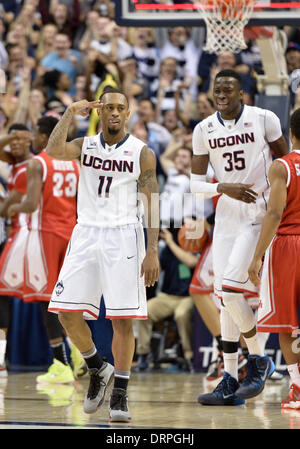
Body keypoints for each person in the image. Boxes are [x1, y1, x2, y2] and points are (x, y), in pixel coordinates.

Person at [45, 88, 160, 423]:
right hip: (86, 233)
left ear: (127, 114)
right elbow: (52, 151)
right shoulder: (85, 145)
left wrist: (151, 250)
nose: (113, 112)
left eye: (119, 108)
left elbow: (152, 204)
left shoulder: (142, 153)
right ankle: (97, 367)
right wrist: (69, 113)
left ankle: (120, 392)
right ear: (100, 111)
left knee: (121, 320)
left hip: (124, 235)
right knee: (65, 313)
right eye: (108, 107)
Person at [190, 69, 289, 405]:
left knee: (232, 291)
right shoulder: (203, 130)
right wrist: (222, 187)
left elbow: (286, 162)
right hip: (226, 220)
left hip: (258, 217)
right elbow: (194, 185)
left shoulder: (264, 118)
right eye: (217, 89)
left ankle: (260, 360)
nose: (221, 94)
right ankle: (230, 379)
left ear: (242, 93)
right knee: (223, 299)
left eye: (228, 89)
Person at [7, 116, 85, 384]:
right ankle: (77, 353)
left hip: (45, 236)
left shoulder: (37, 162)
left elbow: (29, 205)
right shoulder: (75, 164)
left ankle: (61, 364)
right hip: (72, 233)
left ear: (42, 137)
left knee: (46, 301)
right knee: (67, 299)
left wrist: (11, 208)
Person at [248, 107, 300, 410]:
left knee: (289, 324)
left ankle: (298, 388)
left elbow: (275, 212)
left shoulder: (282, 166)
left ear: (290, 133)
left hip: (289, 246)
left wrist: (257, 256)